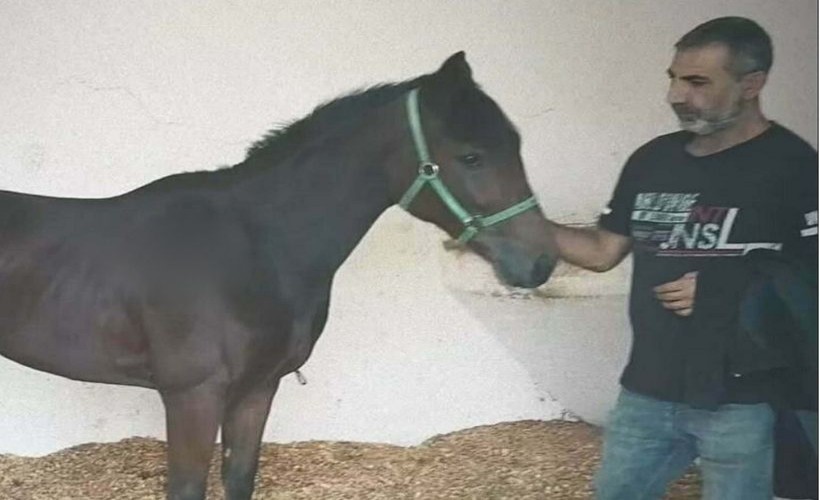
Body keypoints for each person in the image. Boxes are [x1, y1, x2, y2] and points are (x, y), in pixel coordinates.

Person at [547, 16, 818, 499]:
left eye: (697, 82)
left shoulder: (796, 168)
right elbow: (601, 252)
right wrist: (515, 224)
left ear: (751, 84)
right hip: (646, 391)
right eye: (672, 78)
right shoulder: (652, 160)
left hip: (744, 401)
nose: (675, 95)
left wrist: (730, 288)